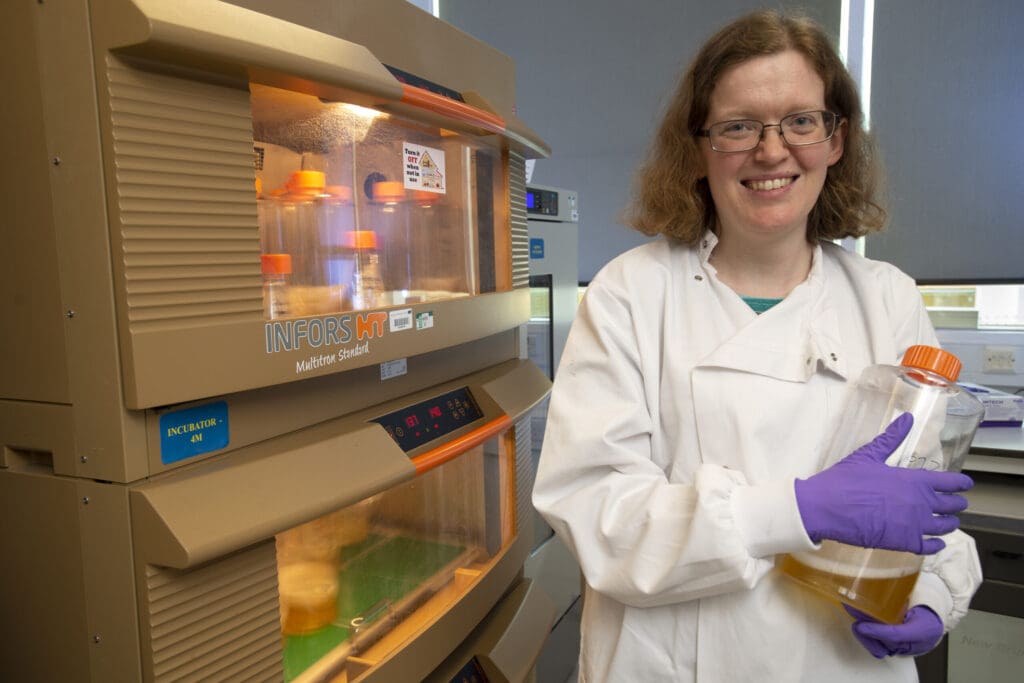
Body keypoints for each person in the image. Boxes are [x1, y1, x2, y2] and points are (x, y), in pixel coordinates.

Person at [532, 10, 981, 683]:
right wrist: (795, 510)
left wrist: (935, 594)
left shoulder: (888, 298)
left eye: (801, 121)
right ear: (699, 146)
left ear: (835, 139)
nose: (772, 151)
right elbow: (595, 514)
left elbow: (924, 506)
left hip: (843, 663)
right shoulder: (632, 293)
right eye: (739, 126)